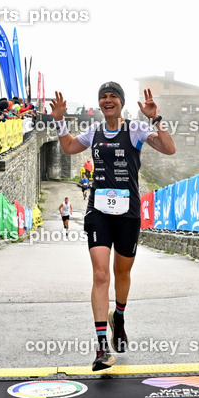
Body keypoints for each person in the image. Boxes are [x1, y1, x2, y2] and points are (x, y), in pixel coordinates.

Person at [50, 83, 175, 371]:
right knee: (100, 272)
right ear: (99, 103)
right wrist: (59, 121)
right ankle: (101, 348)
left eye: (113, 97)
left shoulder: (135, 130)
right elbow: (69, 146)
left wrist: (156, 119)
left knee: (122, 271)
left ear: (121, 102)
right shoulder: (93, 131)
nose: (108, 101)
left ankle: (118, 315)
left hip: (128, 212)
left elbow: (169, 148)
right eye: (103, 97)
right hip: (99, 211)